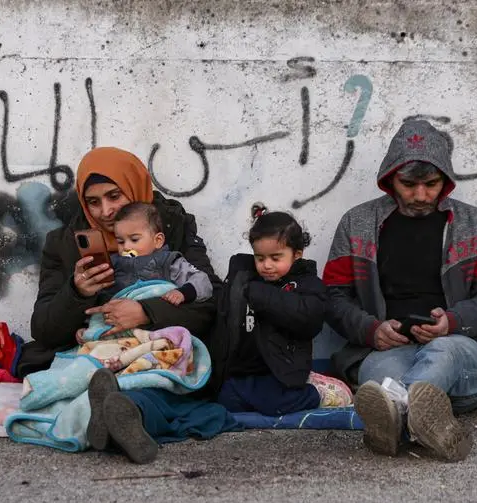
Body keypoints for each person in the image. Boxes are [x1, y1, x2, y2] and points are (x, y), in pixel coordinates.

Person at [17, 147, 237, 463]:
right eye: (93, 202)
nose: (105, 211)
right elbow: (44, 328)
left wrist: (146, 311)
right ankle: (113, 413)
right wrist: (77, 292)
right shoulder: (65, 242)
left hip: (156, 347)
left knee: (152, 386)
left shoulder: (169, 224)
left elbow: (210, 298)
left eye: (114, 196)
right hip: (98, 350)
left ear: (133, 187)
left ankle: (110, 414)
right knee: (89, 379)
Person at [323, 119, 477, 462]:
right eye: (408, 184)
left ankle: (399, 420)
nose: (420, 195)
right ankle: (426, 421)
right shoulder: (357, 224)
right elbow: (333, 297)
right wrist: (370, 329)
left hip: (458, 352)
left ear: (446, 182)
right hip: (388, 352)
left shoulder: (474, 224)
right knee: (378, 380)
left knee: (440, 355)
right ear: (390, 178)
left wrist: (451, 322)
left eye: (431, 184)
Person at [209, 211, 328, 416]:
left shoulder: (306, 284)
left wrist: (260, 294)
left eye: (275, 258)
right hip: (244, 369)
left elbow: (310, 318)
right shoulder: (243, 280)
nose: (266, 265)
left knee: (274, 404)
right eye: (260, 258)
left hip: (281, 372)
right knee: (225, 401)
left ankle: (318, 394)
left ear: (296, 254)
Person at [75, 203, 213, 344]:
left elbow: (202, 281)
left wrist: (182, 293)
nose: (126, 247)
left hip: (155, 333)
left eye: (134, 239)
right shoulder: (113, 265)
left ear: (157, 240)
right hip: (120, 338)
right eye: (120, 241)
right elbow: (105, 304)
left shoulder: (168, 262)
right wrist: (89, 328)